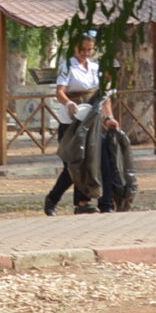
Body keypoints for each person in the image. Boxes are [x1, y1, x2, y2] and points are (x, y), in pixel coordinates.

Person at [48, 29, 116, 215]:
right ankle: (54, 198)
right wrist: (69, 103)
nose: (86, 53)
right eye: (83, 50)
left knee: (102, 161)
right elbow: (60, 92)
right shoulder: (67, 66)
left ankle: (105, 204)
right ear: (75, 48)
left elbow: (104, 96)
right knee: (75, 164)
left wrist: (109, 117)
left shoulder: (95, 68)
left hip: (93, 120)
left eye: (89, 50)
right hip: (73, 121)